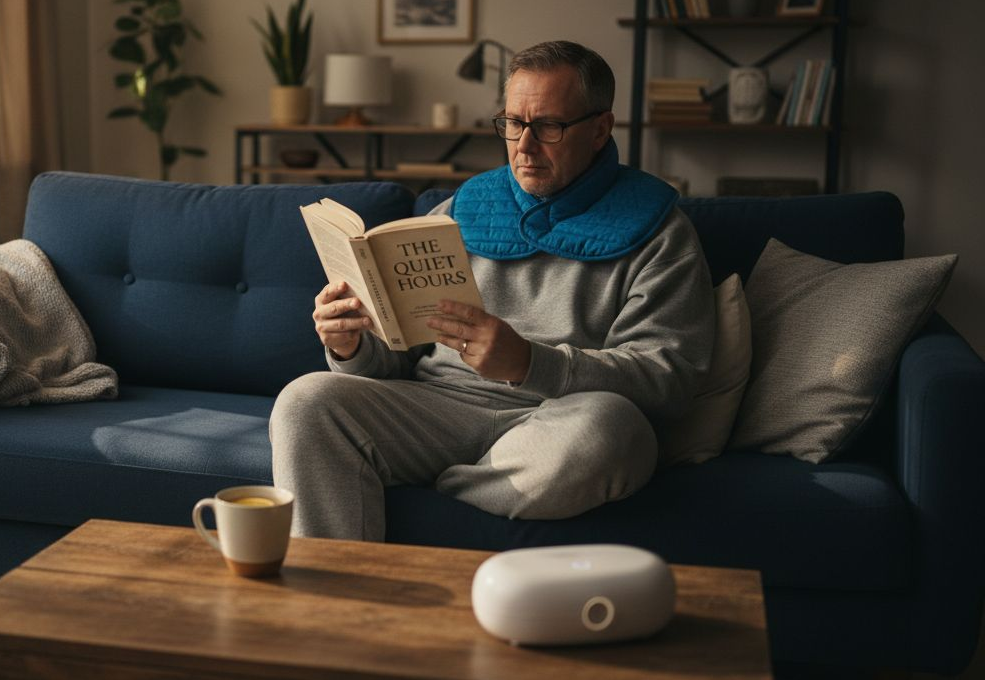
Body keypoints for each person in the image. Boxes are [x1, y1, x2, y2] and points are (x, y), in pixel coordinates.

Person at [270, 40, 715, 541]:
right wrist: (351, 346)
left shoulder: (658, 230)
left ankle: (447, 486)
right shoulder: (462, 209)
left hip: (559, 421)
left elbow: (668, 380)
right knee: (305, 400)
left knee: (607, 434)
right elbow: (396, 361)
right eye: (512, 123)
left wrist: (529, 363)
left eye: (548, 126)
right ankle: (332, 598)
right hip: (436, 410)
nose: (524, 147)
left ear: (599, 129)